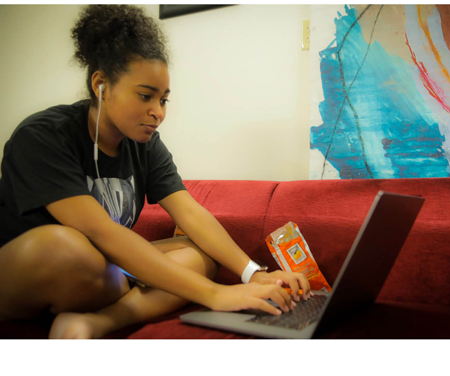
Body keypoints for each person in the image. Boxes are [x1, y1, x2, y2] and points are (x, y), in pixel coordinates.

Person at [0, 5, 310, 339]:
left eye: (164, 100)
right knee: (67, 248)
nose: (157, 112)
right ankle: (136, 282)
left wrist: (251, 273)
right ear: (101, 84)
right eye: (146, 96)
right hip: (32, 272)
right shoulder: (43, 136)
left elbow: (190, 212)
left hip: (104, 269)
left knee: (200, 253)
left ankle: (94, 322)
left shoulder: (144, 144)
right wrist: (215, 293)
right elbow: (100, 232)